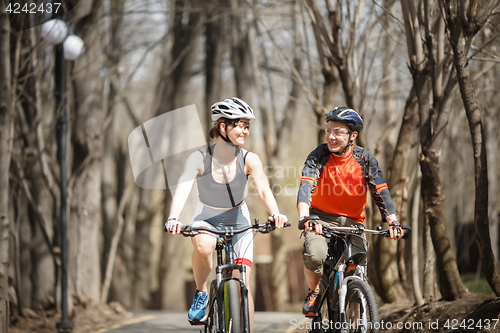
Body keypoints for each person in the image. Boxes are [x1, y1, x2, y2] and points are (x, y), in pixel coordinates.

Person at [164, 97, 287, 332]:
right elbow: (183, 186)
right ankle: (201, 293)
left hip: (238, 218)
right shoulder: (199, 158)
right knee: (203, 246)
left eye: (247, 125)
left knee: (243, 283)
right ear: (223, 126)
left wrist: (276, 214)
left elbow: (263, 188)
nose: (245, 131)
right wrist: (173, 218)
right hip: (206, 217)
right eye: (240, 124)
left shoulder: (249, 159)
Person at [297, 106, 403, 317]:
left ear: (353, 135)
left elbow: (380, 190)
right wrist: (305, 216)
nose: (331, 136)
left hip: (353, 223)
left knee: (357, 271)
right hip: (321, 219)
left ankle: (355, 322)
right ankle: (314, 290)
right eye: (329, 130)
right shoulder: (318, 156)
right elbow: (306, 186)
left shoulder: (365, 159)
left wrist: (393, 221)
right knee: (316, 256)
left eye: (338, 132)